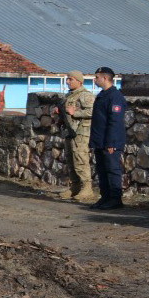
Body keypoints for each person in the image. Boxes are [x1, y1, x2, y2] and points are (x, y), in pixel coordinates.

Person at [89, 67, 126, 210]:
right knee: (102, 170)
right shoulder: (102, 95)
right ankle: (105, 197)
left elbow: (115, 122)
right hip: (100, 140)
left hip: (110, 141)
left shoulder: (114, 96)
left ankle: (115, 199)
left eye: (97, 77)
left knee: (112, 169)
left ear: (105, 78)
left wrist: (111, 143)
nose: (95, 79)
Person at [61, 71, 97, 203]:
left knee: (80, 159)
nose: (68, 82)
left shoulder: (85, 95)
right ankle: (75, 186)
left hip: (81, 132)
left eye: (70, 79)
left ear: (79, 81)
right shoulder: (69, 95)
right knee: (70, 159)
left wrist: (75, 112)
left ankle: (87, 188)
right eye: (67, 79)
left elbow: (92, 111)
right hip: (69, 132)